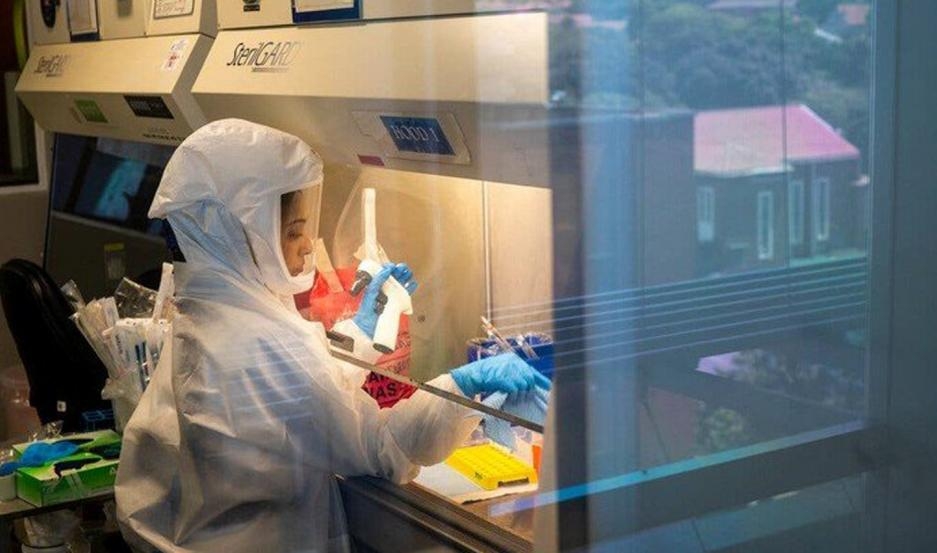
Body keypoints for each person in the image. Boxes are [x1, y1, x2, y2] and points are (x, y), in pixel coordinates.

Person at [115, 119, 549, 553]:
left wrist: (360, 334)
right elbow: (383, 448)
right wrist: (464, 387)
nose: (307, 245)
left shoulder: (206, 315)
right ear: (236, 234)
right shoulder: (257, 342)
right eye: (292, 232)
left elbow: (300, 394)